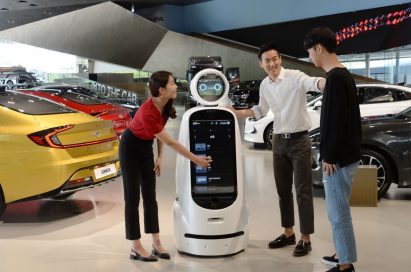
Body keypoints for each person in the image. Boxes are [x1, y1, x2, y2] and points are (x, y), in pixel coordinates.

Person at [229, 42, 325, 257]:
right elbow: (261, 110)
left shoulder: (295, 76)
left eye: (275, 59)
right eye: (267, 61)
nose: (272, 63)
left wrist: (326, 83)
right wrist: (236, 112)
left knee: (303, 192)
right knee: (283, 191)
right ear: (261, 64)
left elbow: (313, 82)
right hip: (279, 142)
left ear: (280, 59)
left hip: (300, 140)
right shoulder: (265, 85)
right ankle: (288, 232)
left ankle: (305, 238)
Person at [119, 70, 212, 262]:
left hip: (145, 148)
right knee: (132, 197)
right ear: (161, 90)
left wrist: (159, 157)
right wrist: (196, 159)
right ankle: (135, 246)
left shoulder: (166, 103)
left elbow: (159, 134)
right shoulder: (147, 112)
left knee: (150, 197)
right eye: (172, 83)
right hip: (129, 148)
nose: (176, 86)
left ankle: (156, 242)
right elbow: (171, 142)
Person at [303, 27, 362, 272]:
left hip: (338, 159)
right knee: (339, 209)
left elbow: (335, 121)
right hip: (347, 156)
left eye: (309, 52)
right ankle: (342, 253)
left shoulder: (336, 78)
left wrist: (329, 155)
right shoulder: (342, 75)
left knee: (338, 213)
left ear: (319, 47)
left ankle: (346, 265)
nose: (309, 58)